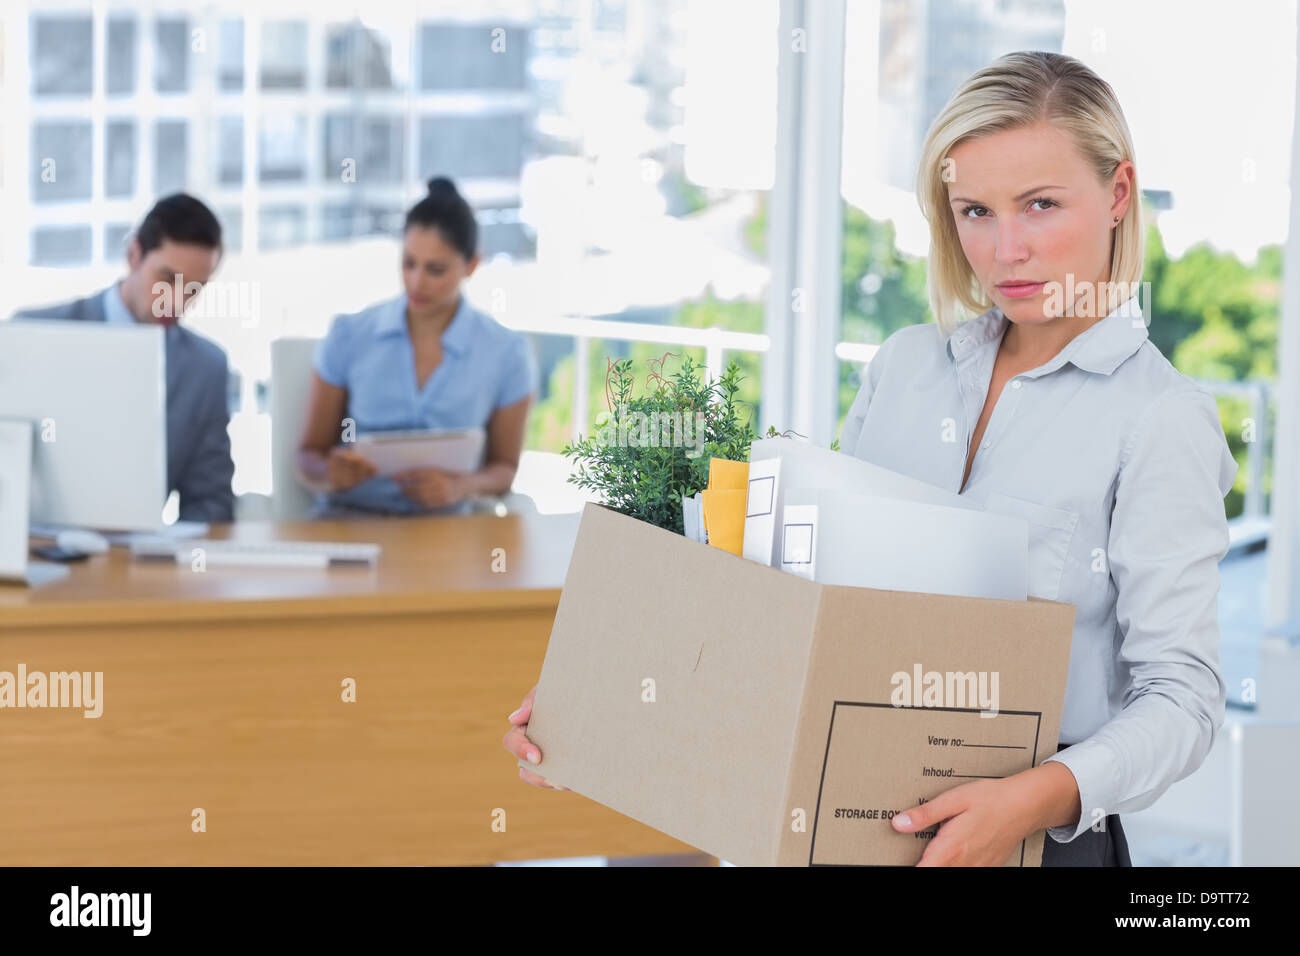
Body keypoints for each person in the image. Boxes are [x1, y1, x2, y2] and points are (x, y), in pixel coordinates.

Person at [504, 51, 1238, 868]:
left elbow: (1183, 702)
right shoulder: (905, 367)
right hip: (843, 816)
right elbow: (809, 613)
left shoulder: (1160, 420)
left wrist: (1030, 799)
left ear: (1118, 195)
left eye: (1039, 205)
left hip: (1032, 845)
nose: (1005, 250)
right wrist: (613, 700)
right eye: (975, 211)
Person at [297, 177, 538, 517]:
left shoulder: (506, 353)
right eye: (408, 263)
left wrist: (459, 487)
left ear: (471, 265)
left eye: (435, 269)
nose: (416, 282)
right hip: (349, 520)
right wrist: (330, 472)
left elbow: (503, 470)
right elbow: (308, 457)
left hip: (445, 532)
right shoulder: (349, 334)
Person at [14, 194, 235, 523]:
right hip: (34, 556)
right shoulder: (29, 335)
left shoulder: (205, 369)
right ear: (134, 254)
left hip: (134, 564)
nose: (175, 302)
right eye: (168, 280)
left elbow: (210, 503)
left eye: (194, 288)